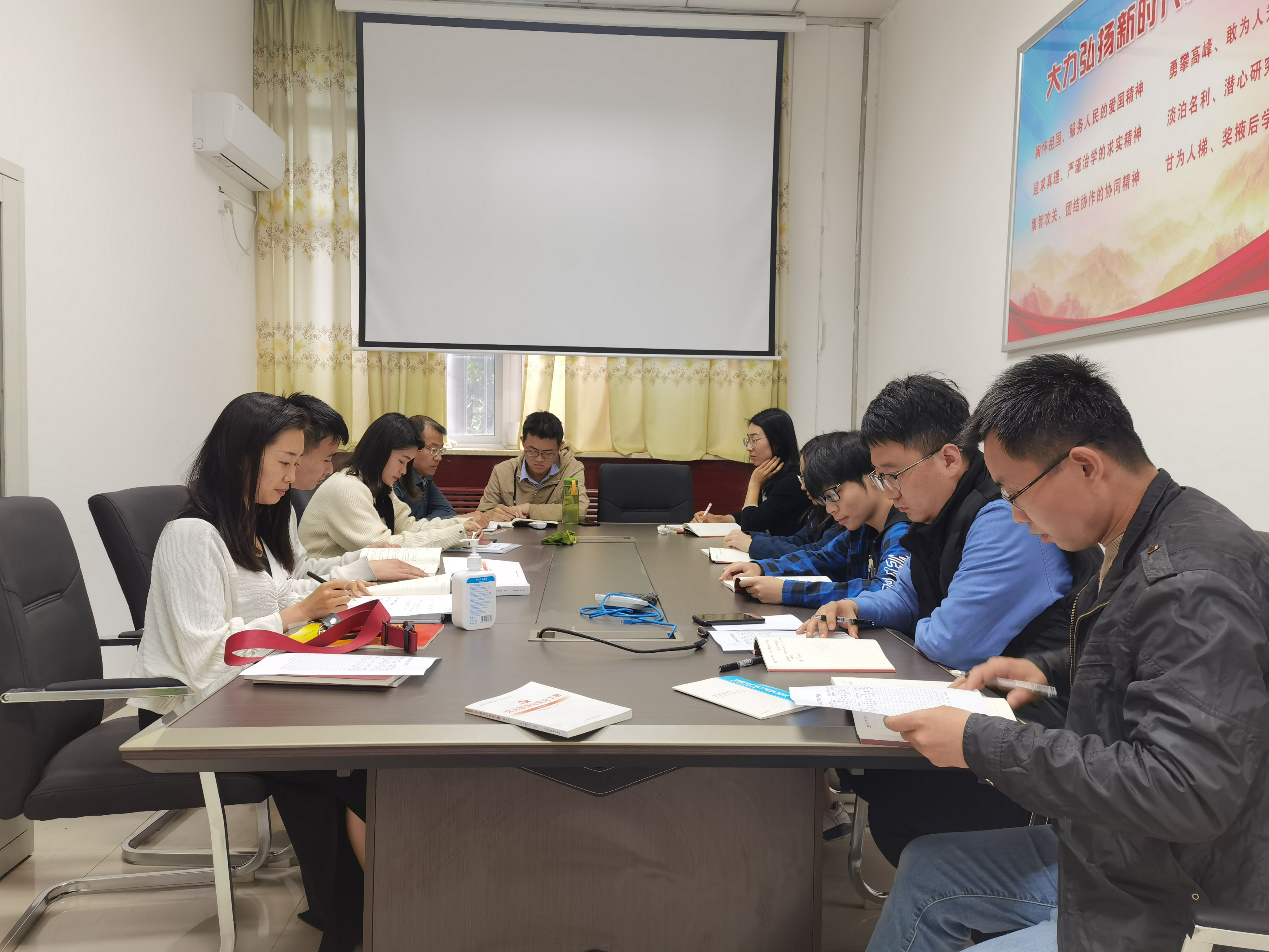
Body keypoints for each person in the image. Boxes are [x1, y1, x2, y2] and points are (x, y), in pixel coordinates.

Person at [865, 354, 1269, 952]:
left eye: (1016, 493)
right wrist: (1047, 670)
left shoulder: (1188, 582)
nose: (1016, 516)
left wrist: (978, 742)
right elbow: (1153, 671)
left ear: (1084, 465)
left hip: (1179, 890)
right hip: (1126, 847)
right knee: (929, 866)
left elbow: (1183, 789)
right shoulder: (1151, 530)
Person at [799, 376, 1096, 865]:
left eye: (893, 474)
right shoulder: (933, 516)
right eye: (879, 477)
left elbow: (951, 642)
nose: (888, 491)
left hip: (1041, 723)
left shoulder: (1003, 518)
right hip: (988, 698)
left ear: (950, 458)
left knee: (902, 805)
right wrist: (857, 607)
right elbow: (906, 596)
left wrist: (921, 620)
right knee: (876, 775)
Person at [131, 392, 367, 952]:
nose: (292, 477)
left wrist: (327, 602)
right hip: (192, 711)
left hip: (249, 693)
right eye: (284, 462)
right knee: (349, 768)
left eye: (296, 462)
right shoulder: (192, 536)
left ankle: (349, 916)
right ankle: (362, 919)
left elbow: (284, 591)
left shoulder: (257, 520)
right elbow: (205, 657)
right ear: (242, 457)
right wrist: (296, 615)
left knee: (350, 757)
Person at [720, 431, 909, 607]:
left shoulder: (903, 531)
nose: (830, 509)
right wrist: (761, 568)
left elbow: (885, 590)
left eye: (833, 494)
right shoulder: (863, 527)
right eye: (824, 499)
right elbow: (821, 558)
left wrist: (787, 591)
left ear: (873, 474)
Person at [300, 412, 487, 558]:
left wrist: (461, 524)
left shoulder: (378, 486)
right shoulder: (347, 487)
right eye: (401, 461)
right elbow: (383, 548)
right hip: (323, 583)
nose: (404, 471)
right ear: (380, 453)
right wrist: (457, 532)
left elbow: (409, 527)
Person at [286, 393, 424, 586]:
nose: (330, 469)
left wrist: (362, 557)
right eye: (327, 458)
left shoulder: (283, 505)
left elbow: (299, 571)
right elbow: (282, 591)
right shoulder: (346, 486)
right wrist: (362, 568)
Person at [692, 408, 812, 536]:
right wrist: (720, 519)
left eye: (755, 440)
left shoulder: (792, 480)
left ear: (777, 442)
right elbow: (758, 514)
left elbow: (750, 526)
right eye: (748, 440)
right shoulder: (769, 473)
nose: (749, 448)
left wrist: (754, 483)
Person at [722, 435, 843, 559]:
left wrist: (753, 545)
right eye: (802, 478)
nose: (749, 447)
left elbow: (816, 555)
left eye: (755, 440)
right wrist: (751, 538)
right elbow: (798, 540)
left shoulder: (790, 482)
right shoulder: (821, 508)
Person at [395, 414, 519, 523]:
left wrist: (427, 523)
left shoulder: (424, 478)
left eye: (440, 450)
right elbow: (403, 529)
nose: (439, 457)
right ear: (413, 446)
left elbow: (447, 511)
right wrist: (463, 519)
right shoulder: (394, 480)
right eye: (433, 449)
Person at [477, 410, 588, 521]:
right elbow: (482, 513)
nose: (539, 459)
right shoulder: (503, 471)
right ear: (523, 442)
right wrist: (492, 514)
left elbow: (576, 510)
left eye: (548, 453)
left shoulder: (571, 470)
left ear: (560, 447)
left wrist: (529, 509)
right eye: (532, 451)